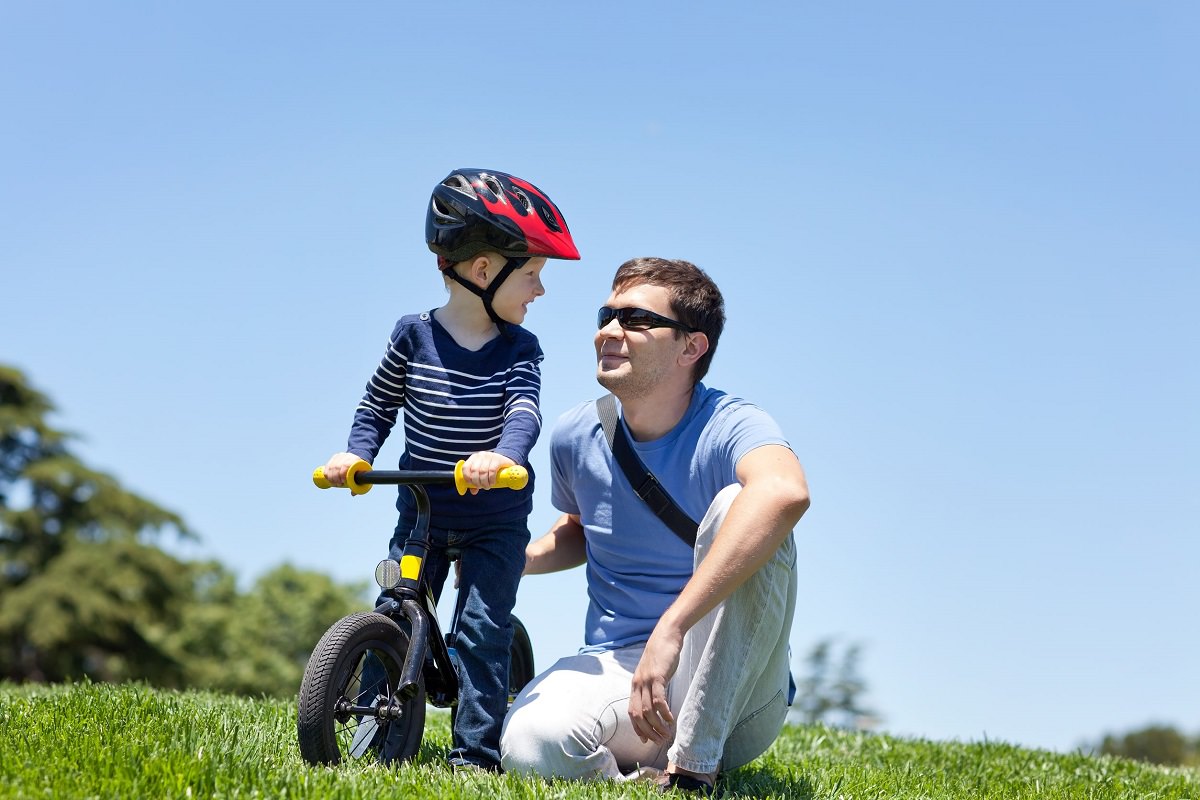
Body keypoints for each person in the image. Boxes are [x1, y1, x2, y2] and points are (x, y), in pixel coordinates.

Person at [500, 257, 810, 795]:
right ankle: (641, 782)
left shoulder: (731, 423)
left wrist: (671, 629)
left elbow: (786, 492)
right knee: (531, 743)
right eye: (606, 314)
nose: (607, 332)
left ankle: (695, 768)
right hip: (623, 674)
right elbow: (580, 528)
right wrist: (511, 560)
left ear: (691, 347)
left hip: (736, 689)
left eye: (635, 320)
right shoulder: (577, 433)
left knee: (745, 504)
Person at [321, 168, 580, 771]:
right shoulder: (412, 336)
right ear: (484, 272)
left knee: (482, 633)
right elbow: (378, 404)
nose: (540, 291)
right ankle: (376, 740)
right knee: (394, 610)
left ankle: (475, 757)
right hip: (423, 511)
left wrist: (504, 457)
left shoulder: (521, 348)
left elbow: (523, 411)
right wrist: (356, 455)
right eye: (534, 275)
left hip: (494, 517)